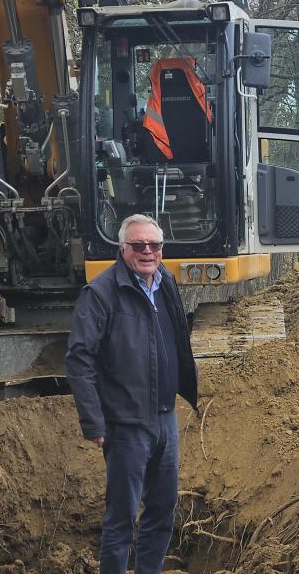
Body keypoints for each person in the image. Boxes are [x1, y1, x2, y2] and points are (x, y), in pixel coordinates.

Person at [66, 214, 198, 574]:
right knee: (122, 516)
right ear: (123, 248)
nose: (147, 252)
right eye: (138, 245)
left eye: (154, 245)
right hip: (126, 423)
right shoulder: (101, 293)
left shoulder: (166, 282)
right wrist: (93, 421)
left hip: (165, 417)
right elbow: (79, 359)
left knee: (162, 509)